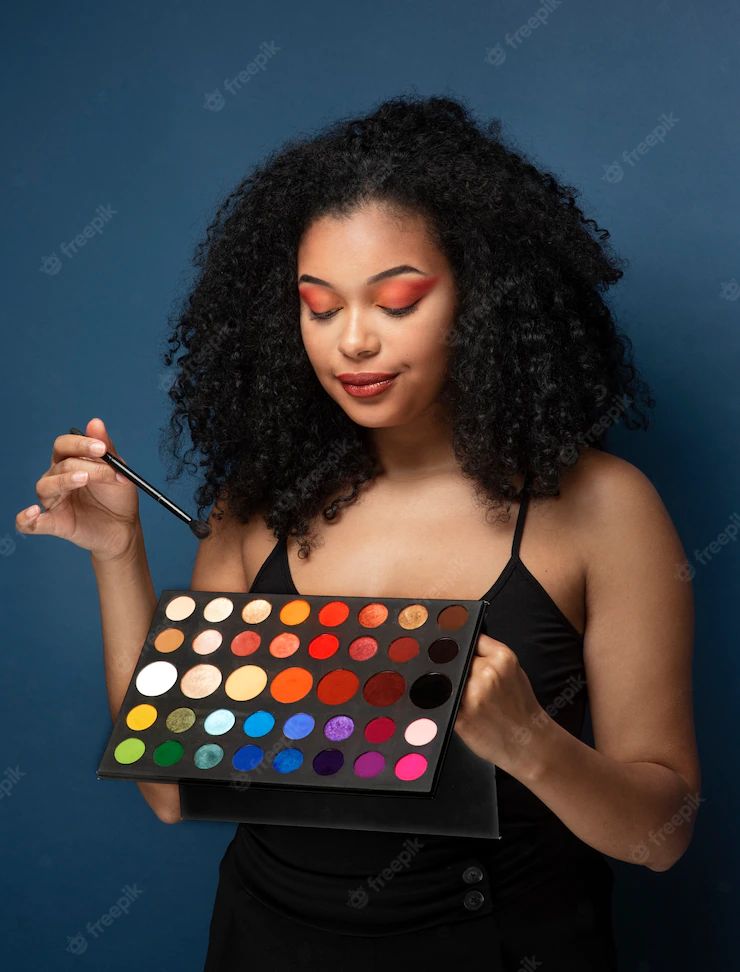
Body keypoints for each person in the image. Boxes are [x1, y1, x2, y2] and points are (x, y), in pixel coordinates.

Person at [17, 94, 700, 971]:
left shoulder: (606, 509)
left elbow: (662, 835)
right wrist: (119, 557)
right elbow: (169, 791)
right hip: (266, 943)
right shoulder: (254, 505)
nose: (355, 342)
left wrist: (532, 742)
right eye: (320, 306)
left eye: (397, 301)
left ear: (482, 296)